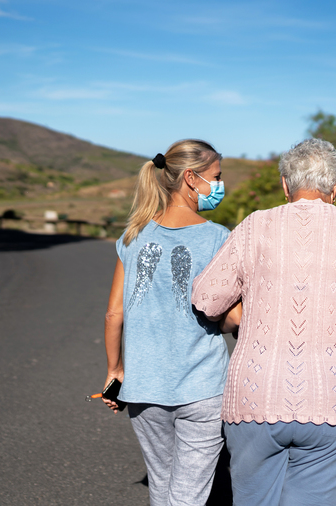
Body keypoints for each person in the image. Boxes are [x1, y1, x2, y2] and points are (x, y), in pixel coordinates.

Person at [191, 138, 336, 506]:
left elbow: (207, 299)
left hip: (256, 396)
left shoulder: (254, 225)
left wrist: (247, 322)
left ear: (284, 185)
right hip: (335, 401)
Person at [102, 139, 238, 506]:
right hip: (202, 386)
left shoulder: (132, 235)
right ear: (191, 178)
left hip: (143, 388)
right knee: (190, 495)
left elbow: (114, 313)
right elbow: (234, 316)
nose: (220, 185)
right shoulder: (218, 238)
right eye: (217, 176)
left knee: (162, 487)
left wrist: (115, 370)